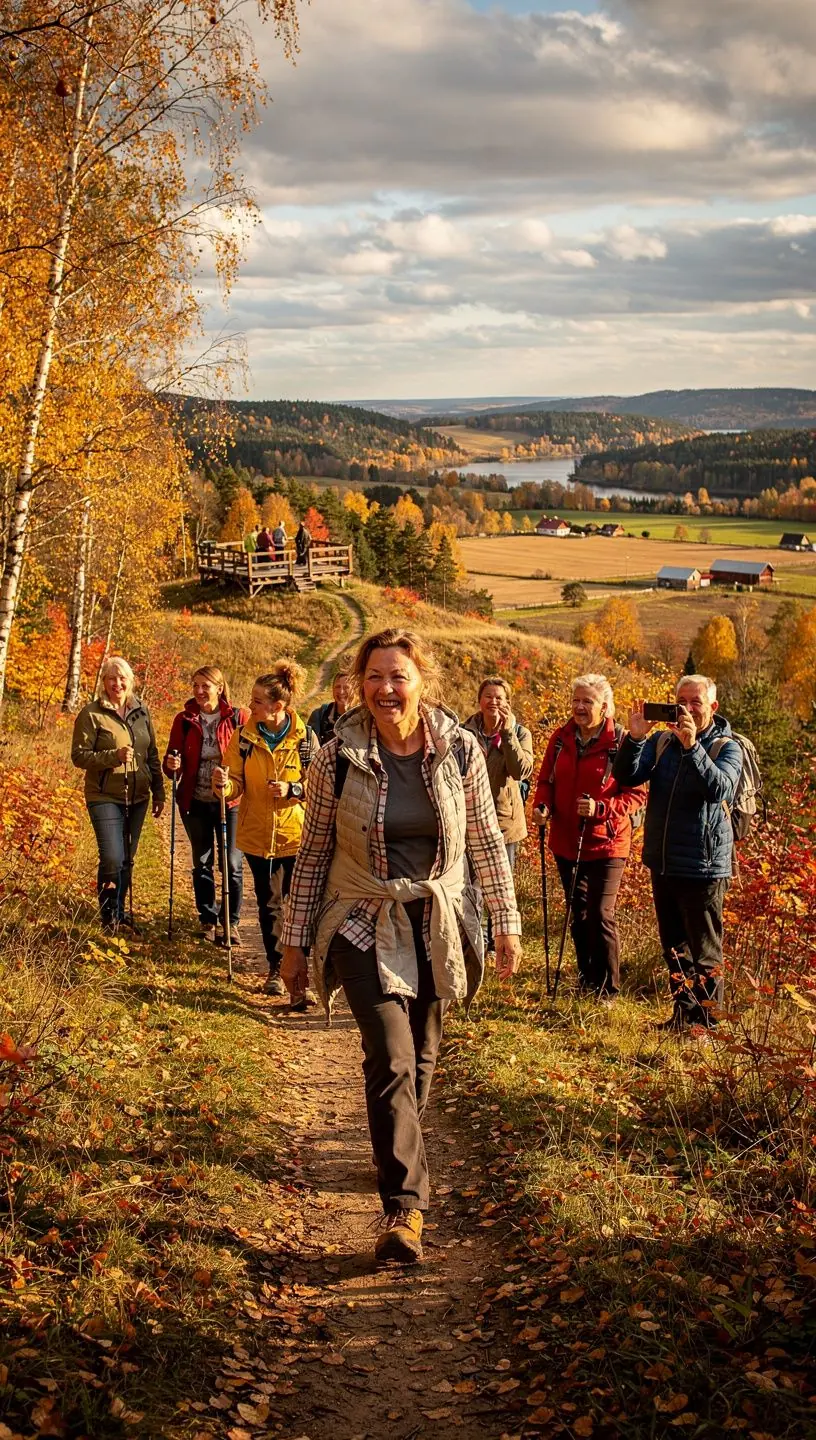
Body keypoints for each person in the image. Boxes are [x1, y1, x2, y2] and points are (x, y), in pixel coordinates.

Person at [281, 628, 522, 1266]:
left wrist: (506, 922)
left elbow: (486, 842)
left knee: (421, 1056)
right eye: (374, 677)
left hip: (439, 919)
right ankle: (403, 1210)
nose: (386, 689)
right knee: (389, 1055)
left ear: (422, 680)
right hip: (362, 914)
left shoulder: (460, 749)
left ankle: (398, 1149)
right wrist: (296, 942)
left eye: (398, 676)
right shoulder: (335, 755)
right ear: (360, 684)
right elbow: (313, 852)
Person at [612, 674, 742, 1033]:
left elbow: (718, 789)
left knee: (705, 952)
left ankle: (707, 1026)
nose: (685, 708)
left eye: (695, 702)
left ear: (712, 707)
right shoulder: (662, 742)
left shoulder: (728, 747)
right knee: (674, 947)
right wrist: (636, 738)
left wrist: (692, 747)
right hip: (664, 860)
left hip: (703, 867)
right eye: (680, 701)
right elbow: (625, 776)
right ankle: (682, 1016)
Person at [531, 674, 646, 1002]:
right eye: (576, 701)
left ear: (605, 707)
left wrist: (600, 809)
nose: (579, 707)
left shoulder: (621, 742)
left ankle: (608, 990)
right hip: (566, 839)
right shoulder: (560, 738)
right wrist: (542, 806)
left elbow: (636, 796)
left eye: (587, 702)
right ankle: (587, 980)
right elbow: (546, 782)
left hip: (607, 842)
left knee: (599, 913)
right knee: (577, 912)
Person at [213, 663, 318, 997]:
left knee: (299, 906)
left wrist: (293, 790)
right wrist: (224, 786)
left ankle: (303, 971)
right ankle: (276, 969)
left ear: (277, 707)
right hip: (258, 835)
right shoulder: (244, 738)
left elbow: (320, 785)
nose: (251, 704)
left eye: (257, 700)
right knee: (270, 905)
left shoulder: (305, 739)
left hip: (298, 836)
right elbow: (234, 783)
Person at [71, 656, 165, 933]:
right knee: (112, 856)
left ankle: (119, 914)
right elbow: (79, 756)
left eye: (122, 678)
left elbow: (151, 755)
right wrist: (113, 756)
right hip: (104, 795)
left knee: (127, 859)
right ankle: (108, 914)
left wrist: (158, 791)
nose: (117, 683)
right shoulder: (91, 713)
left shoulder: (141, 712)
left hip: (138, 796)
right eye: (112, 678)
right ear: (104, 682)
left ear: (131, 681)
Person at [163, 667, 248, 944]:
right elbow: (171, 761)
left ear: (220, 688)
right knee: (202, 862)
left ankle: (230, 922)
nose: (200, 691)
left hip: (231, 801)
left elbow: (250, 758)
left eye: (206, 686)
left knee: (232, 863)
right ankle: (207, 918)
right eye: (196, 685)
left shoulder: (238, 718)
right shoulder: (185, 719)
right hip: (195, 800)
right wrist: (171, 765)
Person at [463, 676, 533, 951]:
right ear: (479, 700)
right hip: (468, 820)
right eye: (488, 696)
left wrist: (507, 735)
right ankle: (476, 943)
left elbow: (521, 771)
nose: (493, 702)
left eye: (500, 698)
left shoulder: (520, 733)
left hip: (504, 822)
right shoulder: (464, 731)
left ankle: (498, 944)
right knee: (472, 886)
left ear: (508, 703)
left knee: (500, 886)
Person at [307, 670, 353, 747]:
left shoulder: (363, 717)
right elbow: (311, 749)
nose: (341, 691)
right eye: (337, 687)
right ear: (332, 689)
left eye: (346, 687)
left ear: (355, 690)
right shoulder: (319, 716)